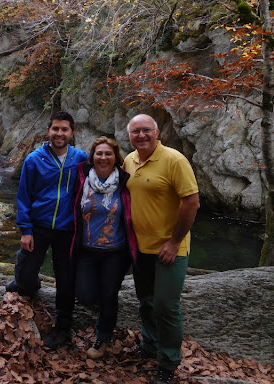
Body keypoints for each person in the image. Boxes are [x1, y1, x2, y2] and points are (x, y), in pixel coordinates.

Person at [123, 114, 200, 384]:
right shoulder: (129, 160)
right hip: (139, 248)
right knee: (146, 301)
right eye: (135, 132)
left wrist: (174, 241)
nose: (141, 135)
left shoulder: (175, 160)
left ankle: (168, 362)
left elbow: (192, 203)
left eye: (146, 131)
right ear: (129, 136)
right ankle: (150, 345)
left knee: (166, 306)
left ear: (157, 133)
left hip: (170, 249)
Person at [6, 110, 88, 350]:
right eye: (55, 129)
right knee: (26, 276)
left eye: (64, 129)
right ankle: (26, 281)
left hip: (67, 228)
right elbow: (23, 197)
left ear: (72, 133)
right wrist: (25, 230)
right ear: (48, 131)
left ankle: (63, 327)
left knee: (65, 278)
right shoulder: (34, 159)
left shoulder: (81, 158)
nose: (59, 133)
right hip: (39, 226)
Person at [72, 136, 138, 360]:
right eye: (99, 153)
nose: (103, 157)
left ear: (116, 158)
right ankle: (104, 311)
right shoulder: (82, 179)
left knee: (109, 294)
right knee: (85, 295)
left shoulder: (125, 182)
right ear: (92, 157)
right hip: (87, 250)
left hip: (115, 252)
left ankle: (103, 338)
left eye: (108, 153)